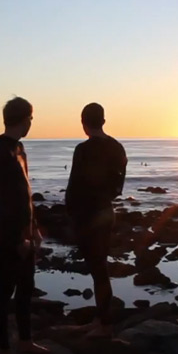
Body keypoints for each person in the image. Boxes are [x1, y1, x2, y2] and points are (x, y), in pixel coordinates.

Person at [0, 97, 49, 354]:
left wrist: (34, 229)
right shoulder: (1, 152)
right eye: (31, 118)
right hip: (9, 233)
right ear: (23, 119)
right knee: (4, 290)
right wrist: (18, 238)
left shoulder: (19, 148)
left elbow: (26, 195)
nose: (31, 123)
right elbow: (8, 200)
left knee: (26, 288)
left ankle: (25, 341)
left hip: (25, 231)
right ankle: (3, 349)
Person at [65, 102, 127, 338]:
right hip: (106, 213)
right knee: (100, 268)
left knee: (98, 270)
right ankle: (102, 319)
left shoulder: (83, 150)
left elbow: (74, 185)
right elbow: (118, 187)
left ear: (84, 122)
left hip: (87, 216)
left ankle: (104, 324)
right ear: (103, 120)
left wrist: (70, 213)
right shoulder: (117, 147)